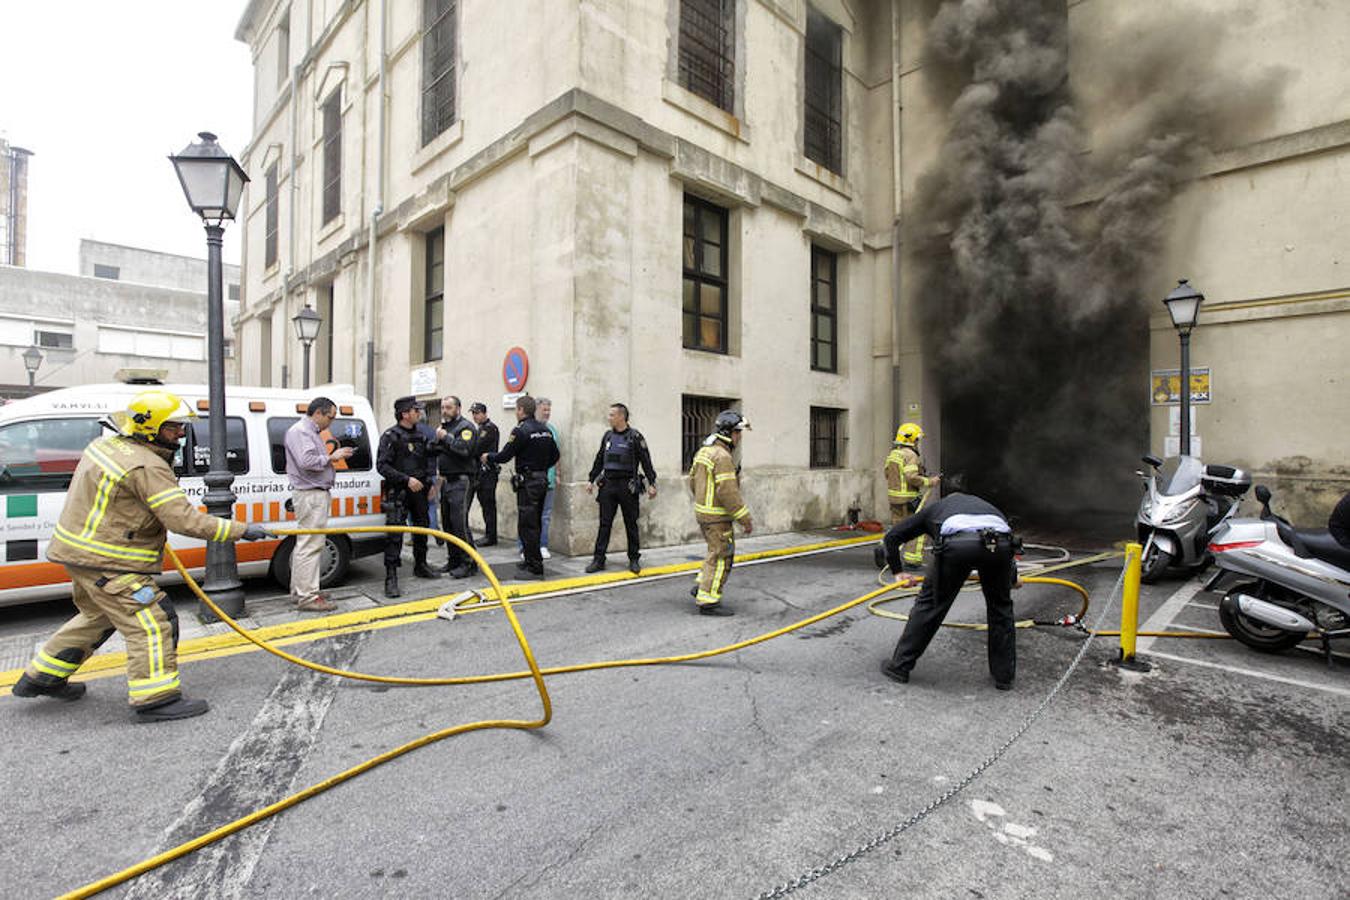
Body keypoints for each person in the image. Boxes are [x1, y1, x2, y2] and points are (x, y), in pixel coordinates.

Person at [11, 390, 272, 722]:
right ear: (150, 428)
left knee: (97, 617)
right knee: (151, 622)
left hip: (78, 554)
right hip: (109, 561)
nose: (181, 433)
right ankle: (155, 698)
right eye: (173, 427)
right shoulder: (146, 465)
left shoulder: (107, 446)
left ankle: (42, 676)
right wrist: (240, 530)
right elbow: (183, 520)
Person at [879, 491, 1019, 691]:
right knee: (1001, 607)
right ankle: (1004, 677)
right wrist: (1011, 578)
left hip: (958, 546)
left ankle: (900, 667)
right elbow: (1008, 542)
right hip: (999, 545)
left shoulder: (936, 509)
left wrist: (898, 572)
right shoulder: (990, 509)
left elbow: (892, 537)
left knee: (931, 604)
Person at [283, 396, 354, 612]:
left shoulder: (307, 431)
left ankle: (302, 591)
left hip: (311, 493)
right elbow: (307, 462)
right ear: (318, 413)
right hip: (311, 494)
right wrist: (333, 457)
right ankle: (307, 596)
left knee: (306, 544)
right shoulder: (302, 431)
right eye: (330, 417)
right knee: (310, 545)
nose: (330, 423)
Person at [484, 395, 559, 579]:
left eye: (516, 410)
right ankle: (530, 561)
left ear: (521, 410)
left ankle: (534, 567)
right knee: (535, 523)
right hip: (542, 481)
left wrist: (488, 457)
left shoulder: (521, 430)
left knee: (528, 524)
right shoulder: (545, 430)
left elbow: (505, 455)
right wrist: (541, 468)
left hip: (528, 483)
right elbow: (555, 456)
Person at [688, 410, 753, 616]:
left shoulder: (704, 452)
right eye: (738, 432)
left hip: (704, 515)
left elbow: (691, 480)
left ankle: (701, 585)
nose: (739, 437)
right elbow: (728, 492)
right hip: (717, 518)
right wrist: (745, 519)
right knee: (722, 556)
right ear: (729, 433)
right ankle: (708, 601)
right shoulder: (723, 456)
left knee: (713, 552)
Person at [585, 403, 658, 574]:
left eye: (612, 415)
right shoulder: (607, 436)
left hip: (627, 486)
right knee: (604, 524)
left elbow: (646, 461)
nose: (609, 418)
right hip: (608, 485)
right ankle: (599, 559)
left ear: (621, 417)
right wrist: (591, 479)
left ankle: (633, 558)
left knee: (631, 523)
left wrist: (651, 483)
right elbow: (599, 459)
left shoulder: (635, 437)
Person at [376, 396, 437, 598]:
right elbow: (382, 466)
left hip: (420, 491)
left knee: (422, 528)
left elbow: (428, 460)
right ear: (404, 414)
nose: (419, 413)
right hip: (399, 491)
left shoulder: (421, 435)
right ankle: (391, 577)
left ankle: (421, 565)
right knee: (395, 535)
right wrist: (406, 479)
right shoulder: (390, 436)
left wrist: (430, 483)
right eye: (415, 410)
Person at [433, 394, 479, 578]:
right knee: (448, 523)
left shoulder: (465, 427)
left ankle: (469, 563)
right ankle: (453, 560)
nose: (444, 411)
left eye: (448, 407)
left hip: (462, 481)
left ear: (458, 408)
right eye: (443, 407)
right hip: (446, 481)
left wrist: (446, 438)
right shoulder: (445, 428)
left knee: (460, 524)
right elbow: (438, 449)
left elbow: (464, 450)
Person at [883, 423, 939, 574]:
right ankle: (912, 561)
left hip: (894, 499)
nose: (917, 442)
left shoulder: (894, 454)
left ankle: (885, 553)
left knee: (897, 529)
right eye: (917, 439)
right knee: (917, 530)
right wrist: (929, 481)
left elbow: (887, 473)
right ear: (912, 439)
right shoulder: (911, 455)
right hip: (909, 500)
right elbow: (911, 477)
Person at [468, 402, 500, 546]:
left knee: (488, 505)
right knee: (484, 503)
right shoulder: (480, 429)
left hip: (488, 472)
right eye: (473, 413)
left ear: (484, 413)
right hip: (480, 473)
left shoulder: (489, 429)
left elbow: (476, 448)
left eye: (477, 413)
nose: (474, 416)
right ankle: (489, 534)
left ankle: (491, 536)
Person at [533, 397, 561, 559]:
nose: (547, 413)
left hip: (549, 481)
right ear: (536, 409)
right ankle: (525, 548)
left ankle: (543, 545)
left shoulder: (552, 430)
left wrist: (558, 473)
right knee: (530, 515)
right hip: (533, 481)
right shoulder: (528, 428)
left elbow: (557, 454)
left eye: (549, 410)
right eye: (544, 410)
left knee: (545, 515)